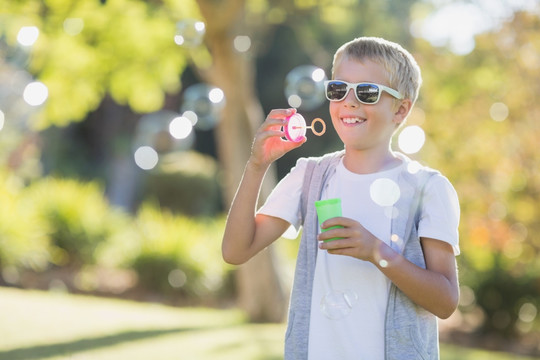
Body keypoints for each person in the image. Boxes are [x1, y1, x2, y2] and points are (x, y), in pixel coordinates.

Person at [221, 36, 460, 360]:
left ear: (401, 109)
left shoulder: (428, 188)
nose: (349, 102)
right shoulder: (311, 175)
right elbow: (236, 250)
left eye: (367, 92)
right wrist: (257, 165)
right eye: (338, 89)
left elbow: (445, 301)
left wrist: (378, 252)